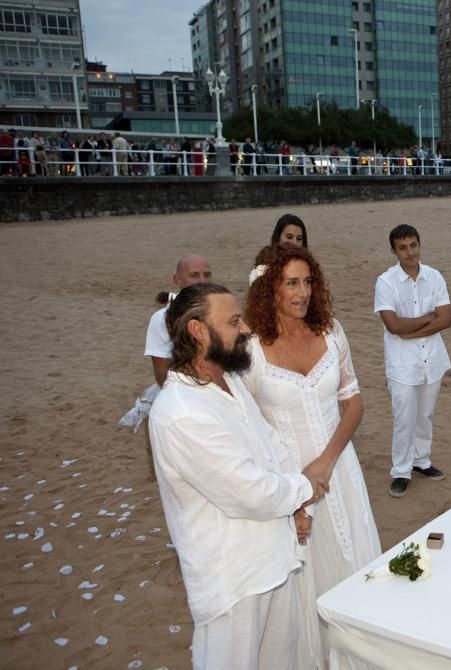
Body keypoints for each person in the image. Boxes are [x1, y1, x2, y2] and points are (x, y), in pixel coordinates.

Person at [149, 282, 327, 670]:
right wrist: (304, 489)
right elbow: (248, 491)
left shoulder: (226, 381)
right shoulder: (180, 412)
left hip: (275, 561)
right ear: (198, 331)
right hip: (232, 583)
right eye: (232, 321)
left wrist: (296, 506)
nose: (245, 328)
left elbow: (273, 446)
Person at [244, 246, 380, 669]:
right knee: (304, 583)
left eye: (308, 282)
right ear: (270, 289)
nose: (302, 293)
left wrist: (327, 462)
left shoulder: (331, 330)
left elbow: (353, 403)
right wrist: (294, 489)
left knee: (353, 562)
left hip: (340, 471)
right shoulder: (250, 350)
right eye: (291, 283)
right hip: (288, 483)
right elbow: (249, 432)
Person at [374, 224, 451, 498]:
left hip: (432, 358)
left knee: (425, 414)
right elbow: (393, 326)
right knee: (404, 417)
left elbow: (446, 319)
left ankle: (422, 461)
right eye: (403, 247)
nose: (410, 252)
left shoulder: (435, 277)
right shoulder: (386, 282)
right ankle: (401, 470)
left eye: (413, 245)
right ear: (394, 250)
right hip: (402, 363)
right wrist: (426, 319)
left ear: (420, 244)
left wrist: (413, 328)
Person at [146, 255, 214, 388]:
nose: (202, 281)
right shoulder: (161, 319)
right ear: (177, 280)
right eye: (194, 275)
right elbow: (162, 375)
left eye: (207, 275)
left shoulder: (223, 311)